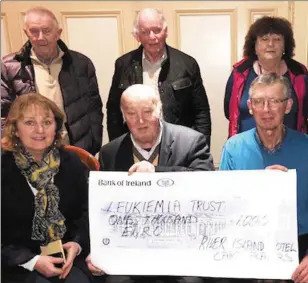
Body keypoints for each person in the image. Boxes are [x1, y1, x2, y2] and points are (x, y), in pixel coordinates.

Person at [87, 84, 214, 283]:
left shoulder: (190, 141)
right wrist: (98, 251)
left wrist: (157, 173)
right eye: (131, 113)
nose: (140, 121)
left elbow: (205, 184)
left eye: (147, 111)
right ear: (123, 116)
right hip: (131, 249)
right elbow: (102, 210)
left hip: (180, 246)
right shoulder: (110, 152)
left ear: (159, 109)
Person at [219, 73, 308, 283]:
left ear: (288, 106)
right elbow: (225, 212)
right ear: (250, 106)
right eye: (259, 102)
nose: (266, 109)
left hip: (299, 245)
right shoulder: (234, 148)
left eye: (274, 101)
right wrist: (258, 189)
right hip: (247, 243)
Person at [1, 93, 91, 283]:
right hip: (18, 265)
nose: (40, 130)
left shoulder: (72, 163)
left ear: (56, 127)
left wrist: (77, 244)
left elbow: (87, 213)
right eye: (30, 123)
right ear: (15, 129)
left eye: (47, 122)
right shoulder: (3, 169)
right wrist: (32, 261)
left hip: (69, 259)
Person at [1, 7, 103, 155]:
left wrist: (93, 143)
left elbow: (94, 108)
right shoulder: (8, 67)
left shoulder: (81, 64)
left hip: (75, 150)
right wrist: (11, 148)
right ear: (26, 32)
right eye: (34, 31)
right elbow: (4, 115)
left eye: (46, 31)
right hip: (29, 154)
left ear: (58, 33)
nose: (40, 37)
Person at [106, 8, 211, 145]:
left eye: (157, 30)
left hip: (179, 145)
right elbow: (114, 110)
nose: (152, 37)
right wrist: (118, 146)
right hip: (136, 144)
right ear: (137, 35)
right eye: (145, 32)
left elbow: (201, 112)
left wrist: (200, 146)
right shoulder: (123, 65)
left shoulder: (187, 64)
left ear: (165, 31)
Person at [224, 16, 308, 138]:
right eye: (264, 39)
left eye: (277, 39)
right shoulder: (240, 73)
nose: (270, 44)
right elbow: (229, 112)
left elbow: (305, 111)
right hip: (246, 149)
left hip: (291, 148)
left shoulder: (299, 73)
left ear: (284, 46)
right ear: (254, 46)